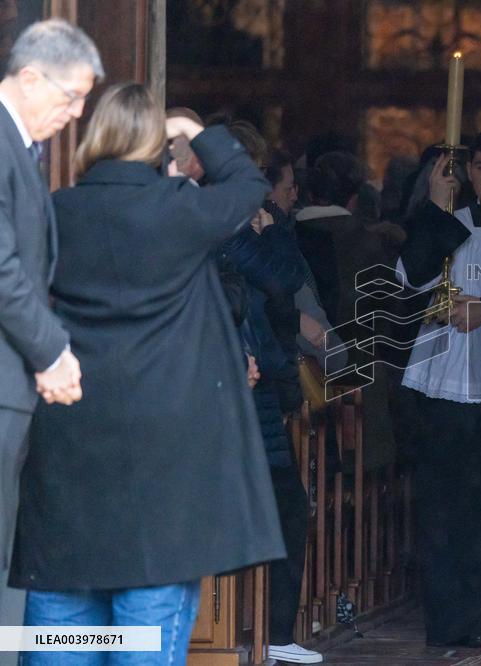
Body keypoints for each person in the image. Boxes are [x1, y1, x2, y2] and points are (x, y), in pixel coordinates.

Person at [10, 83, 285, 663]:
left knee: (61, 622)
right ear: (155, 145)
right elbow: (248, 185)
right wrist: (193, 131)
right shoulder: (181, 210)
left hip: (70, 439)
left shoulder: (54, 211)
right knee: (144, 631)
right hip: (165, 458)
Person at [395, 126, 481, 647]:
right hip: (448, 379)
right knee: (447, 506)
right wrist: (434, 209)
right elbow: (409, 279)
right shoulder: (449, 222)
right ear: (468, 171)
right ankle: (450, 621)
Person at [0, 19, 101, 654]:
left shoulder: (22, 146)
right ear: (30, 76)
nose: (77, 113)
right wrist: (51, 350)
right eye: (71, 97)